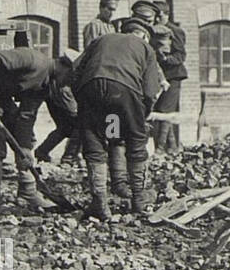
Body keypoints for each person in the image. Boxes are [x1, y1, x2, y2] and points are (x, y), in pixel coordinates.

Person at [71, 17, 167, 220]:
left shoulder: (101, 39)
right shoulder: (145, 47)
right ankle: (138, 201)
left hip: (91, 87)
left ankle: (101, 203)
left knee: (98, 142)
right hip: (124, 90)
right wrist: (143, 113)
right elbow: (150, 91)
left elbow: (75, 70)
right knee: (136, 142)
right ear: (143, 35)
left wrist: (83, 98)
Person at [0, 43, 74, 213]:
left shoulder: (45, 86)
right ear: (63, 67)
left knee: (26, 142)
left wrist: (25, 149)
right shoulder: (33, 60)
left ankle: (28, 191)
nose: (67, 84)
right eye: (69, 78)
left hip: (2, 98)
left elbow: (26, 117)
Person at [150, 1, 188, 153]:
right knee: (160, 110)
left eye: (159, 16)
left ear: (166, 15)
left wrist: (165, 60)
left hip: (173, 76)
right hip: (158, 76)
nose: (157, 19)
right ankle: (172, 147)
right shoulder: (152, 30)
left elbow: (180, 55)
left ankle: (160, 149)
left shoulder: (175, 31)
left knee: (165, 111)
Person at [35, 49, 82, 165]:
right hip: (60, 96)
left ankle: (42, 151)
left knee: (64, 128)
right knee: (80, 125)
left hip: (53, 98)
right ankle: (69, 157)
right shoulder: (64, 82)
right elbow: (73, 111)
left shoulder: (56, 76)